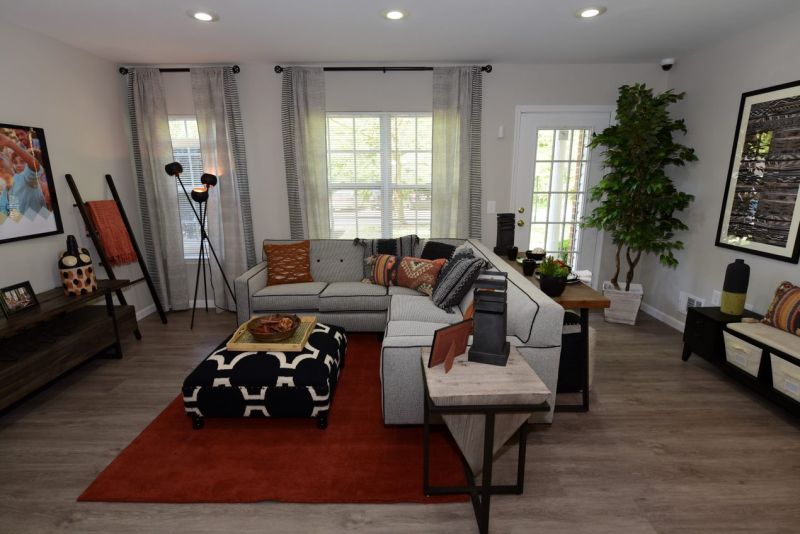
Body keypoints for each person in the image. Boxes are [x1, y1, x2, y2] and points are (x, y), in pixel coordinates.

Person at [0, 132, 47, 216]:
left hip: (41, 226)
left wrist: (10, 143)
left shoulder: (25, 178)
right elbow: (15, 216)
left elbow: (34, 166)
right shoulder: (6, 191)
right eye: (16, 162)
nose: (18, 165)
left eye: (1, 161)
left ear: (9, 162)